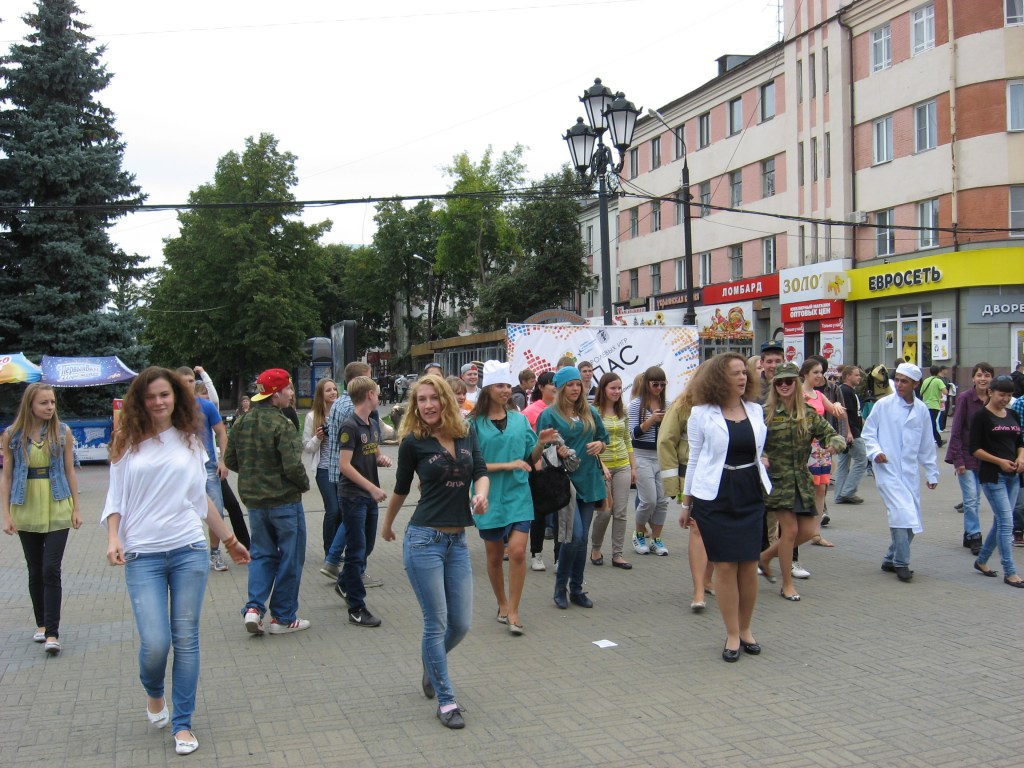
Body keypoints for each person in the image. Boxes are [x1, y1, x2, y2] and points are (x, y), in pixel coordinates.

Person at [101, 367, 250, 756]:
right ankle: (153, 691)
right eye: (150, 396)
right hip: (142, 554)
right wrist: (113, 537)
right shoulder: (125, 440)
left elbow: (200, 498)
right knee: (155, 642)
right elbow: (115, 497)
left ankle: (183, 724)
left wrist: (231, 540)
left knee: (186, 640)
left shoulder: (190, 439)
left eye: (165, 395)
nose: (158, 402)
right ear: (140, 400)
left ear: (177, 397)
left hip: (188, 549)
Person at [381, 374, 489, 730]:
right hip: (423, 540)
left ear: (446, 400)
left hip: (457, 542)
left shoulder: (466, 433)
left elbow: (481, 471)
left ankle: (431, 660)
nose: (427, 405)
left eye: (433, 398)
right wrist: (387, 524)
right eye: (421, 400)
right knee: (436, 621)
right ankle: (446, 700)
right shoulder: (413, 442)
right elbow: (399, 489)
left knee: (461, 624)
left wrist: (482, 493)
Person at [680, 354, 769, 661]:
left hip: (749, 492)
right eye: (735, 374)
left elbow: (758, 452)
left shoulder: (756, 410)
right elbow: (694, 458)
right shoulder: (701, 414)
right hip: (714, 495)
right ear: (719, 378)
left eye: (745, 373)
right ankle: (731, 634)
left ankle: (746, 629)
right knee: (726, 566)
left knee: (748, 565)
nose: (742, 378)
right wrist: (686, 503)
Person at [470, 361, 556, 635]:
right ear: (487, 390)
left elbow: (531, 458)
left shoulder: (519, 420)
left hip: (519, 494)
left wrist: (541, 443)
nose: (506, 390)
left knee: (518, 551)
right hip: (488, 496)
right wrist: (507, 465)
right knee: (495, 555)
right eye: (500, 386)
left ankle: (515, 611)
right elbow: (473, 465)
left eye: (508, 385)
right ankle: (502, 602)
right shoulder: (473, 424)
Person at [225, 368, 311, 635]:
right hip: (284, 501)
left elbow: (230, 460)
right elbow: (292, 466)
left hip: (255, 503)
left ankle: (254, 609)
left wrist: (254, 474)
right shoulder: (282, 424)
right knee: (290, 558)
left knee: (261, 555)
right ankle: (283, 617)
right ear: (275, 395)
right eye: (288, 389)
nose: (292, 393)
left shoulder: (242, 422)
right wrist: (304, 485)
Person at [1, 384, 82, 655]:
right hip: (26, 506)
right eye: (44, 403)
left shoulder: (62, 432)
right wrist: (6, 514)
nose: (50, 407)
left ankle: (52, 633)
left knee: (50, 568)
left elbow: (70, 471)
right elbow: (7, 476)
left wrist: (76, 508)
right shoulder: (12, 435)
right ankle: (40, 624)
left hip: (58, 504)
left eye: (53, 402)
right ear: (30, 405)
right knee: (34, 569)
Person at [759, 363, 845, 600]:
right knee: (790, 531)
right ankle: (787, 584)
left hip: (802, 480)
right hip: (777, 481)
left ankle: (766, 557)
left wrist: (835, 443)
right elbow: (753, 444)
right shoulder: (764, 413)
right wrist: (762, 457)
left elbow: (831, 433)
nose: (784, 385)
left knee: (808, 531)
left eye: (789, 381)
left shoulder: (807, 413)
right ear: (774, 386)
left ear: (796, 384)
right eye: (780, 382)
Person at [536, 366, 609, 610]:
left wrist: (600, 444)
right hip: (564, 483)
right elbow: (542, 448)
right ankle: (560, 587)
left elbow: (604, 438)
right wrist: (556, 450)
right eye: (570, 384)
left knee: (582, 539)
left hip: (590, 480)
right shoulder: (550, 415)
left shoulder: (590, 412)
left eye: (578, 384)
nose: (576, 388)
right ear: (560, 387)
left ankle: (576, 588)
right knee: (573, 536)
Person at [862, 363, 939, 582]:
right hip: (887, 469)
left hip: (910, 473)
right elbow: (869, 433)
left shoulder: (922, 410)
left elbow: (926, 443)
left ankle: (889, 558)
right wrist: (876, 452)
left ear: (916, 384)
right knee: (901, 514)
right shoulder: (883, 405)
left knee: (912, 520)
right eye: (897, 380)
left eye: (904, 381)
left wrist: (932, 472)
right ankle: (901, 562)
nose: (899, 384)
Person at [659, 365, 716, 610]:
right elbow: (665, 441)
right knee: (698, 531)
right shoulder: (684, 406)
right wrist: (673, 483)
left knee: (715, 534)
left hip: (722, 480)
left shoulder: (732, 406)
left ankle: (708, 578)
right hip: (693, 479)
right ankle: (698, 591)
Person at [337, 377, 393, 627]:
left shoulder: (371, 423)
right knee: (356, 550)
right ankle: (356, 608)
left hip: (369, 496)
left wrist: (381, 459)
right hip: (354, 497)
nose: (379, 397)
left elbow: (372, 451)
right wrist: (371, 487)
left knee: (367, 547)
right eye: (377, 393)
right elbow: (344, 466)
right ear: (369, 394)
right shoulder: (349, 426)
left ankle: (343, 582)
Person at [969, 375, 1024, 586]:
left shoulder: (1012, 414)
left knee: (1001, 521)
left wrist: (1020, 458)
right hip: (993, 477)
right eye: (1002, 394)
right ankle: (1010, 571)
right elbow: (974, 449)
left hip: (1013, 476)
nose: (1005, 399)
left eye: (1009, 395)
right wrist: (999, 461)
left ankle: (982, 560)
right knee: (1007, 523)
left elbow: (1020, 441)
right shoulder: (981, 416)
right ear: (991, 392)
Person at [176, 367, 230, 572]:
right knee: (180, 510)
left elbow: (222, 434)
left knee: (216, 510)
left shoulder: (206, 406)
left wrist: (223, 461)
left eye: (191, 380)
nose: (188, 385)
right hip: (180, 467)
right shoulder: (170, 408)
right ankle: (183, 555)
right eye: (183, 381)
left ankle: (215, 553)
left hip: (207, 465)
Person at [946, 362, 994, 555]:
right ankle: (975, 536)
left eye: (987, 375)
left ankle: (968, 534)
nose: (983, 379)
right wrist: (958, 460)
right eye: (979, 375)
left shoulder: (993, 399)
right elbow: (956, 429)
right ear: (973, 378)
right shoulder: (966, 398)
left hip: (986, 458)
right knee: (971, 498)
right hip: (966, 456)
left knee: (976, 498)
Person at [799, 358, 846, 548]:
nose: (819, 376)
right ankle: (791, 533)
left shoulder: (818, 395)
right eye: (815, 372)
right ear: (805, 374)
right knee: (805, 489)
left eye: (821, 372)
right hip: (805, 446)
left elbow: (836, 412)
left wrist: (836, 407)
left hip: (822, 446)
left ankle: (815, 533)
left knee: (820, 490)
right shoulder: (797, 394)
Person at [592, 372, 636, 570]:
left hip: (623, 466)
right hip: (603, 467)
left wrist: (633, 467)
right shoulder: (594, 412)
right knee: (605, 511)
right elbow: (590, 442)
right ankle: (595, 549)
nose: (617, 392)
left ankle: (617, 554)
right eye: (613, 388)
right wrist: (601, 464)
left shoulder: (623, 411)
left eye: (619, 388)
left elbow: (627, 440)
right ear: (603, 389)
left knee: (621, 512)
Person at [629, 366, 671, 556]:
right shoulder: (636, 405)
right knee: (649, 500)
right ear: (647, 384)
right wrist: (652, 420)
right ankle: (638, 533)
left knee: (662, 501)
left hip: (661, 457)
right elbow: (633, 434)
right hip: (642, 456)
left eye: (663, 384)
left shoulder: (667, 404)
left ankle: (656, 539)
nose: (659, 388)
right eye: (655, 384)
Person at [302, 377, 340, 566]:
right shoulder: (312, 417)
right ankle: (329, 552)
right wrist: (318, 438)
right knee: (332, 509)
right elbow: (307, 447)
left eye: (334, 389)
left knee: (342, 511)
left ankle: (337, 550)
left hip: (342, 469)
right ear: (321, 395)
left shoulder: (343, 413)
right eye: (328, 390)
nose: (333, 392)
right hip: (324, 469)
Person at [522, 371, 557, 568]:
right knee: (540, 513)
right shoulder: (531, 411)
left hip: (560, 468)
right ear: (541, 387)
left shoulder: (565, 410)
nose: (555, 387)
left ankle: (559, 557)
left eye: (557, 383)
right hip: (539, 467)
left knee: (561, 514)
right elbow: (527, 441)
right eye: (551, 383)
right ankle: (536, 554)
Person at [833, 366, 868, 505]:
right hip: (852, 433)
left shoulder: (848, 391)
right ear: (848, 376)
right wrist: (848, 432)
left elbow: (855, 413)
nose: (859, 377)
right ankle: (848, 491)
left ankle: (839, 494)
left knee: (843, 462)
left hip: (850, 431)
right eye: (856, 375)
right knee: (861, 460)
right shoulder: (845, 391)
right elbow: (844, 412)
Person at [920, 365, 949, 447]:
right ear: (938, 372)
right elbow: (945, 392)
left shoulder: (925, 381)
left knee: (929, 423)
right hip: (934, 405)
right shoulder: (938, 381)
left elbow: (921, 392)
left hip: (925, 405)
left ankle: (933, 440)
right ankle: (938, 441)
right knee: (932, 424)